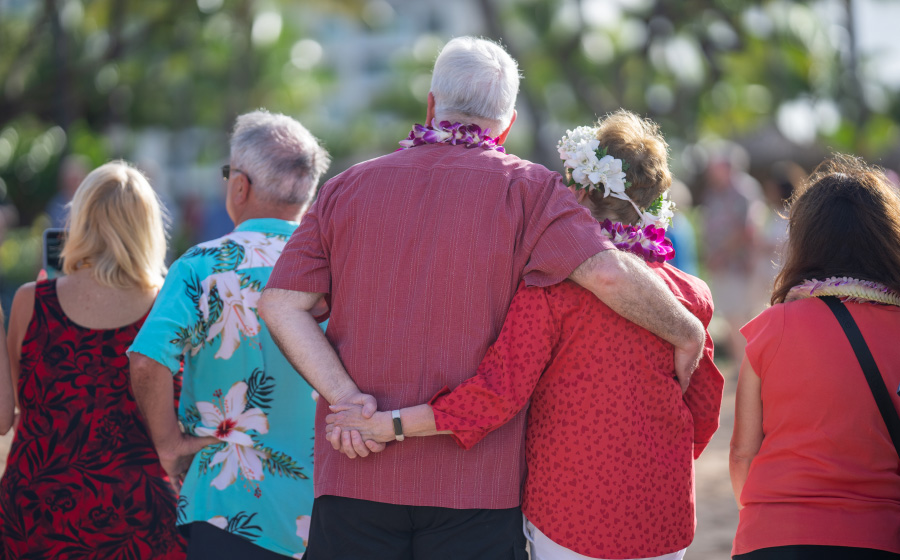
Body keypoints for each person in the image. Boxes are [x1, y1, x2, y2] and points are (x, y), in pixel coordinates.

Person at [259, 37, 707, 559]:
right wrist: (688, 330)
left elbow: (281, 303)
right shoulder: (533, 192)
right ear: (509, 123)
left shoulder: (345, 188)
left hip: (355, 470)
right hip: (476, 487)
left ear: (431, 104)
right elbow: (608, 276)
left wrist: (346, 398)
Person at [128, 110, 330, 560]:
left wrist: (169, 445)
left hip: (227, 507)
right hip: (328, 512)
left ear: (240, 185)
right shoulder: (339, 272)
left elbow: (147, 360)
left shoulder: (202, 266)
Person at [0, 160, 185, 558]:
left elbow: (18, 403)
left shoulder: (32, 302)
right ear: (148, 229)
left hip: (37, 511)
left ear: (79, 220)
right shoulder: (170, 307)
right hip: (140, 515)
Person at [729, 154, 900, 560]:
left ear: (804, 239)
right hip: (877, 540)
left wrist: (766, 515)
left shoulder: (772, 326)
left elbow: (741, 455)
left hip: (772, 539)